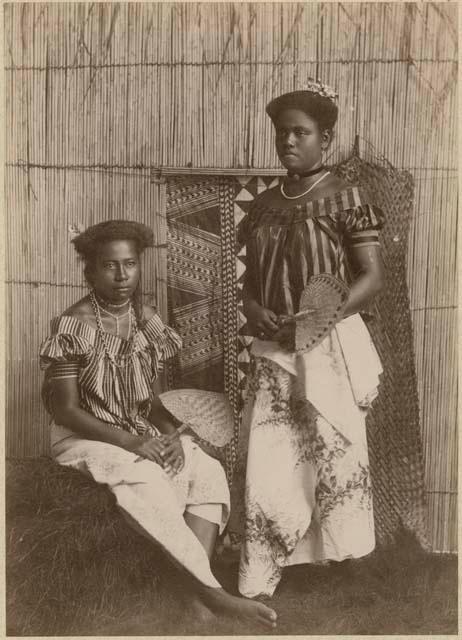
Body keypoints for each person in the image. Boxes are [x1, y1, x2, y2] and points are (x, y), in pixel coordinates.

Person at [39, 220, 277, 628]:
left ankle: (193, 600)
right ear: (90, 272)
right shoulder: (73, 324)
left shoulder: (145, 320)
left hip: (133, 430)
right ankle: (214, 595)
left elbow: (146, 400)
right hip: (83, 437)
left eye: (129, 264)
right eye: (109, 266)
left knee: (204, 468)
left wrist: (170, 437)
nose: (121, 275)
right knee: (147, 478)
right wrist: (133, 444)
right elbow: (65, 410)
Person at [234, 80, 385, 598]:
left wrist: (319, 316)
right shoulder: (262, 206)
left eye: (301, 133)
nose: (289, 143)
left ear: (327, 138)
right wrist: (257, 314)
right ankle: (269, 564)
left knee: (333, 450)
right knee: (272, 452)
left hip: (331, 344)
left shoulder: (347, 196)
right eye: (282, 134)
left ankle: (343, 564)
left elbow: (371, 277)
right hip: (276, 345)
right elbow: (249, 287)